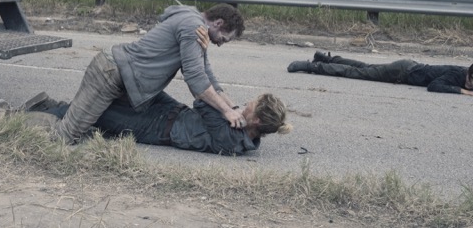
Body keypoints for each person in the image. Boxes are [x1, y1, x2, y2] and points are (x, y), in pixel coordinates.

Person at [52, 3, 245, 144]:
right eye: (224, 39)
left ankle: (48, 109)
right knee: (66, 136)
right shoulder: (192, 26)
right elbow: (196, 81)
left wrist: (233, 107)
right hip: (110, 74)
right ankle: (28, 124)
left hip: (124, 80)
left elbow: (205, 73)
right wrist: (226, 112)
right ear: (218, 23)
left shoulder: (194, 24)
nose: (220, 43)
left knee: (88, 127)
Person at [27, 90, 292, 156]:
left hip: (156, 128)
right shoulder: (243, 131)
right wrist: (229, 109)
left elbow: (201, 100)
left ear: (256, 119)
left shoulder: (232, 138)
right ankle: (53, 106)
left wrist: (226, 108)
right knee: (123, 90)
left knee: (98, 114)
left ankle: (25, 113)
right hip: (170, 111)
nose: (245, 104)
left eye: (250, 106)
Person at [287, 52, 473, 96]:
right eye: (471, 79)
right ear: (468, 72)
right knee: (355, 74)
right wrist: (462, 91)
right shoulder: (456, 76)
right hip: (403, 72)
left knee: (363, 67)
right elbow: (435, 87)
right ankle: (312, 66)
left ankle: (325, 57)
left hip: (406, 67)